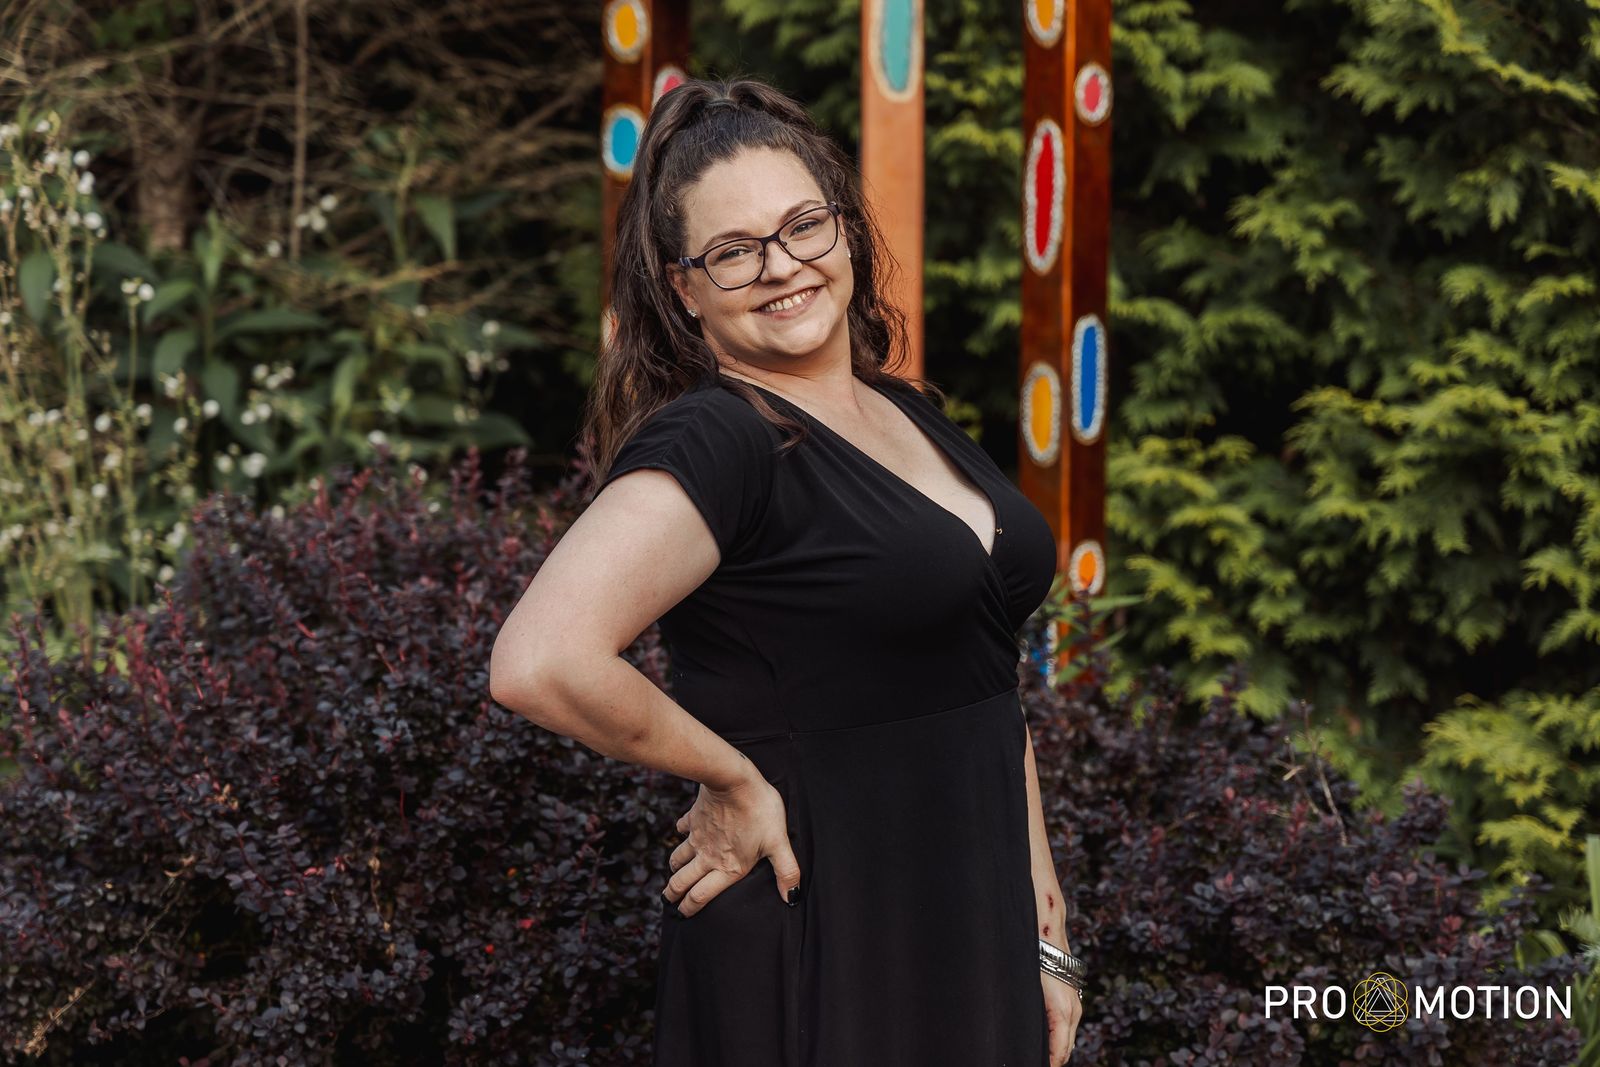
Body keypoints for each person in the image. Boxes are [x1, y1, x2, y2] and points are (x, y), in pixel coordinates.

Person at [489, 75, 1086, 1066]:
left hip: (969, 911)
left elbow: (986, 679)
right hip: (827, 918)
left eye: (804, 226)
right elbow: (538, 659)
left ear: (844, 229)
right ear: (684, 289)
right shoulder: (719, 438)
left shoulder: (906, 411)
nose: (781, 266)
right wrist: (727, 775)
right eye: (733, 251)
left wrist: (1044, 925)